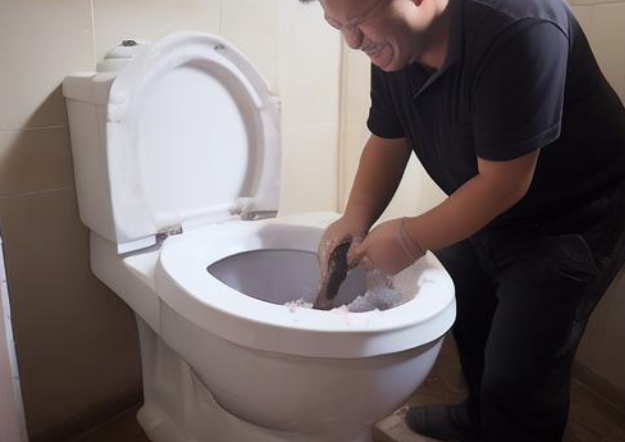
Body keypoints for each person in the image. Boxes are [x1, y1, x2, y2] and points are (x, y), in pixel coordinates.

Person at [300, 0, 625, 441]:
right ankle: (475, 420)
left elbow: (505, 184)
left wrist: (410, 236)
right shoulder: (394, 43)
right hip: (489, 200)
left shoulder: (519, 26)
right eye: (335, 24)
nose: (352, 42)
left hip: (574, 214)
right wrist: (355, 216)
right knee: (470, 310)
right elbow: (389, 135)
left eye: (358, 22)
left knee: (520, 369)